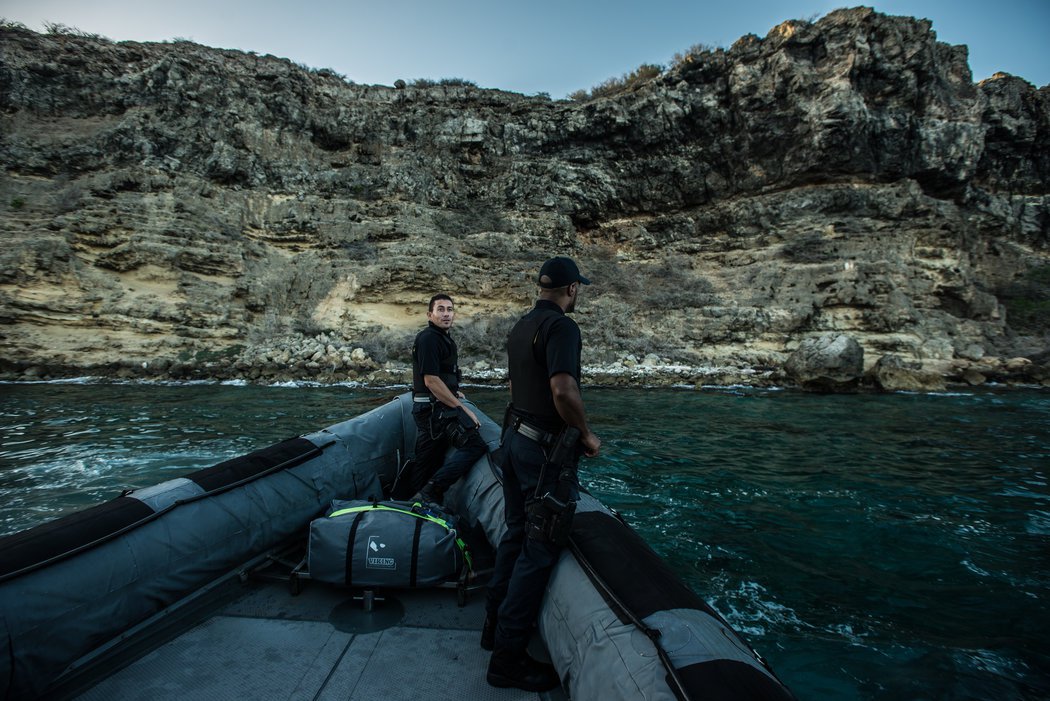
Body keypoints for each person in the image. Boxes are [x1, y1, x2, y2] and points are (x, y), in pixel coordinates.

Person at [484, 257, 601, 692]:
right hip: (542, 454)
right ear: (572, 290)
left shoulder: (520, 326)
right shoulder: (563, 328)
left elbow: (516, 387)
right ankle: (507, 659)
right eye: (578, 289)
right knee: (538, 549)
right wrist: (585, 434)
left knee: (515, 532)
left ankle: (492, 629)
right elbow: (562, 389)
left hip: (512, 441)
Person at [393, 293, 487, 505]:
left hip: (436, 408)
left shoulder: (442, 339)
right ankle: (431, 491)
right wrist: (462, 408)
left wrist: (453, 392)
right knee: (475, 446)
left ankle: (414, 497)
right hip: (434, 412)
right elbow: (431, 381)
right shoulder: (429, 338)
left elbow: (441, 375)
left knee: (428, 461)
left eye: (449, 309)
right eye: (441, 310)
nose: (446, 314)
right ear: (430, 314)